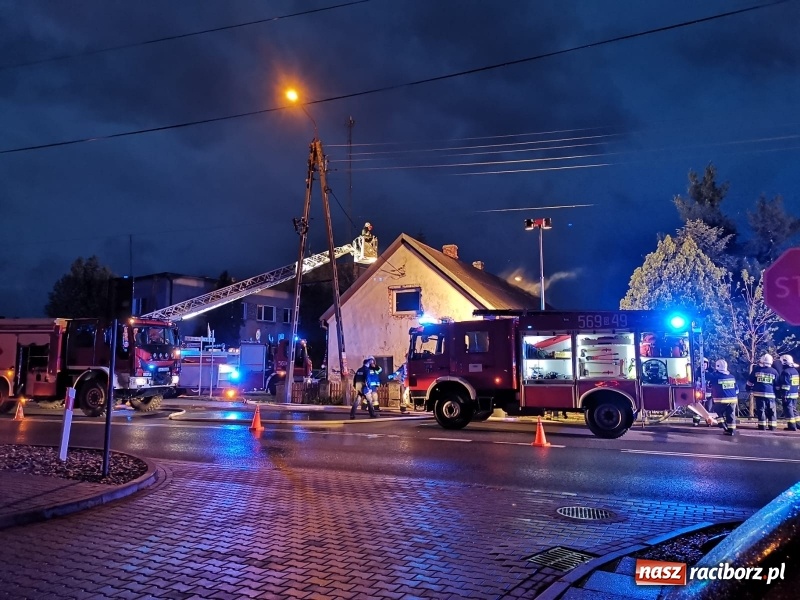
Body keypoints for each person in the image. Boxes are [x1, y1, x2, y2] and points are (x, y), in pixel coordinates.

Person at [746, 353, 779, 431]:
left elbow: (750, 382)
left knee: (761, 410)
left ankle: (762, 426)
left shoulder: (757, 370)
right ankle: (773, 427)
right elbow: (777, 385)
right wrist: (778, 394)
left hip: (759, 394)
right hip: (771, 395)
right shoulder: (774, 371)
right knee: (772, 410)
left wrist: (748, 389)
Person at [709, 359, 739, 436]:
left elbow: (709, 386)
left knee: (717, 412)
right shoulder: (732, 376)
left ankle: (723, 425)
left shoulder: (715, 377)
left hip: (721, 399)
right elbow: (737, 389)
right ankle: (731, 431)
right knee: (731, 415)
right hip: (733, 399)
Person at [776, 354, 799, 432]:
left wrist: (784, 395)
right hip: (795, 394)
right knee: (794, 409)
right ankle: (798, 424)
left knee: (789, 410)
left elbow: (786, 385)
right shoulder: (795, 371)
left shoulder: (786, 372)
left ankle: (792, 426)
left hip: (788, 395)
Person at [692, 358, 714, 426]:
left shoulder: (711, 373)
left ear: (707, 364)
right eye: (702, 364)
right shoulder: (697, 373)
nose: (704, 366)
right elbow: (694, 381)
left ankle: (709, 421)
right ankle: (696, 421)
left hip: (709, 394)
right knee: (697, 409)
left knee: (708, 409)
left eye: (705, 364)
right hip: (699, 394)